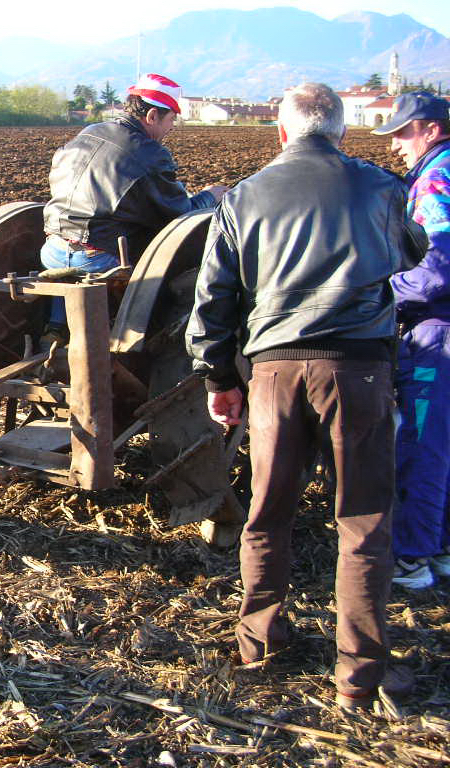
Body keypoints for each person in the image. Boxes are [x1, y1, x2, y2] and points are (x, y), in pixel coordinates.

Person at [185, 83, 427, 710]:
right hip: (360, 373)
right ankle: (359, 677)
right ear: (342, 132)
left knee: (269, 512)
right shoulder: (382, 188)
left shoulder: (243, 198)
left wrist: (220, 379)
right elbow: (414, 251)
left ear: (282, 133)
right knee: (364, 521)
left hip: (275, 374)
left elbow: (213, 302)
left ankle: (259, 642)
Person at [40, 73, 227, 340]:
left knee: (71, 265)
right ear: (152, 116)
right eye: (171, 118)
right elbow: (179, 214)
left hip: (52, 250)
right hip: (100, 259)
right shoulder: (149, 153)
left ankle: (56, 327)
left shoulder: (90, 131)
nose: (172, 127)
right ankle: (139, 342)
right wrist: (210, 197)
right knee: (179, 266)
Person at [372, 92, 450, 589]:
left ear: (430, 129)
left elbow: (437, 268)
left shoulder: (437, 181)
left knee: (420, 445)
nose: (396, 145)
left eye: (402, 133)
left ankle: (412, 556)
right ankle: (440, 547)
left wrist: (381, 293)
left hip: (437, 333)